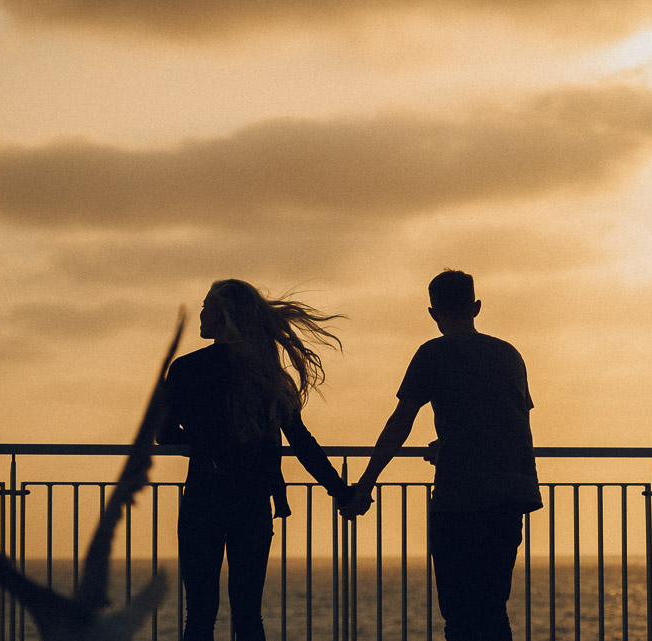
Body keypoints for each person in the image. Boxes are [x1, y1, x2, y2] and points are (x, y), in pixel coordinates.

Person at [342, 270, 542, 641]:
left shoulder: (432, 353)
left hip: (459, 499)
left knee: (459, 616)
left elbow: (400, 424)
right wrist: (450, 443)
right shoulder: (509, 354)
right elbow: (511, 423)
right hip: (510, 496)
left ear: (433, 313)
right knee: (493, 609)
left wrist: (365, 486)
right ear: (476, 307)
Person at [158, 279, 353, 641]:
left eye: (206, 307)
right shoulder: (266, 376)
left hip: (205, 496)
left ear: (223, 315)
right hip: (252, 502)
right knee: (248, 615)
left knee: (199, 615)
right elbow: (303, 443)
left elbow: (165, 433)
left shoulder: (186, 369)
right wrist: (341, 491)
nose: (201, 314)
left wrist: (205, 440)